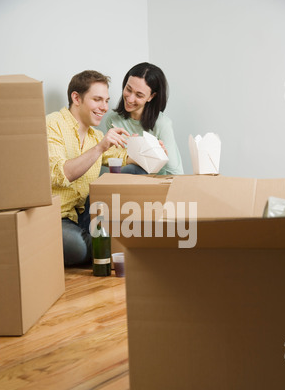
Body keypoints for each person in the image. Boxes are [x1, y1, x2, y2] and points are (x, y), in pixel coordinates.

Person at [46, 70, 129, 267]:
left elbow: (123, 157)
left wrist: (148, 148)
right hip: (55, 217)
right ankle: (109, 247)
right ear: (76, 98)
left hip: (83, 216)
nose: (104, 107)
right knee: (80, 247)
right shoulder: (52, 124)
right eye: (98, 99)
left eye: (106, 100)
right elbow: (62, 173)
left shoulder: (95, 136)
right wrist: (101, 147)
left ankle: (110, 246)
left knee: (134, 172)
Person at [104, 62, 184, 175]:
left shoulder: (162, 124)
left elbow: (175, 173)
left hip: (155, 185)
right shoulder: (113, 120)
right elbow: (113, 163)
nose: (130, 99)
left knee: (131, 169)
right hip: (123, 184)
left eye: (139, 95)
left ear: (151, 96)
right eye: (128, 89)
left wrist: (159, 157)